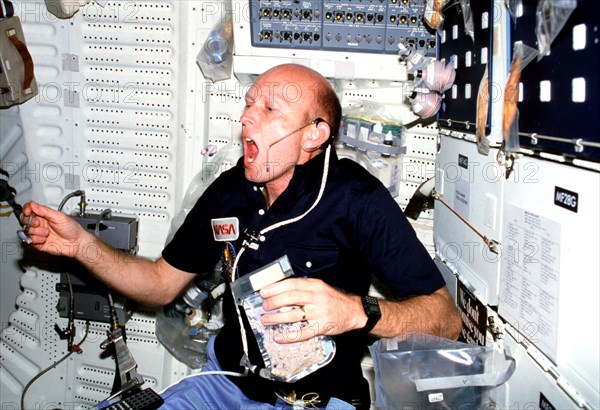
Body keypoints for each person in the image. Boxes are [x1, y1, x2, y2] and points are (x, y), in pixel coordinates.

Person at [21, 63, 461, 409]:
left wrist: (357, 311)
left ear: (314, 135)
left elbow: (447, 320)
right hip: (225, 384)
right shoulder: (231, 191)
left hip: (321, 399)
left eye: (270, 109)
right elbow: (158, 284)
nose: (247, 116)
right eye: (250, 104)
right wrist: (82, 246)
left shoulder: (356, 197)